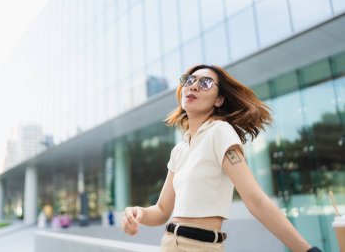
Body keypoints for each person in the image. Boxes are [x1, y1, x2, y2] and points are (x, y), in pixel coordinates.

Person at [120, 64, 322, 252]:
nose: (194, 87)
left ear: (219, 100)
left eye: (205, 83)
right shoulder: (180, 149)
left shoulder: (220, 132)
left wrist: (306, 249)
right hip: (169, 243)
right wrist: (139, 213)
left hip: (199, 246)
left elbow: (256, 201)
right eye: (189, 81)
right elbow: (163, 210)